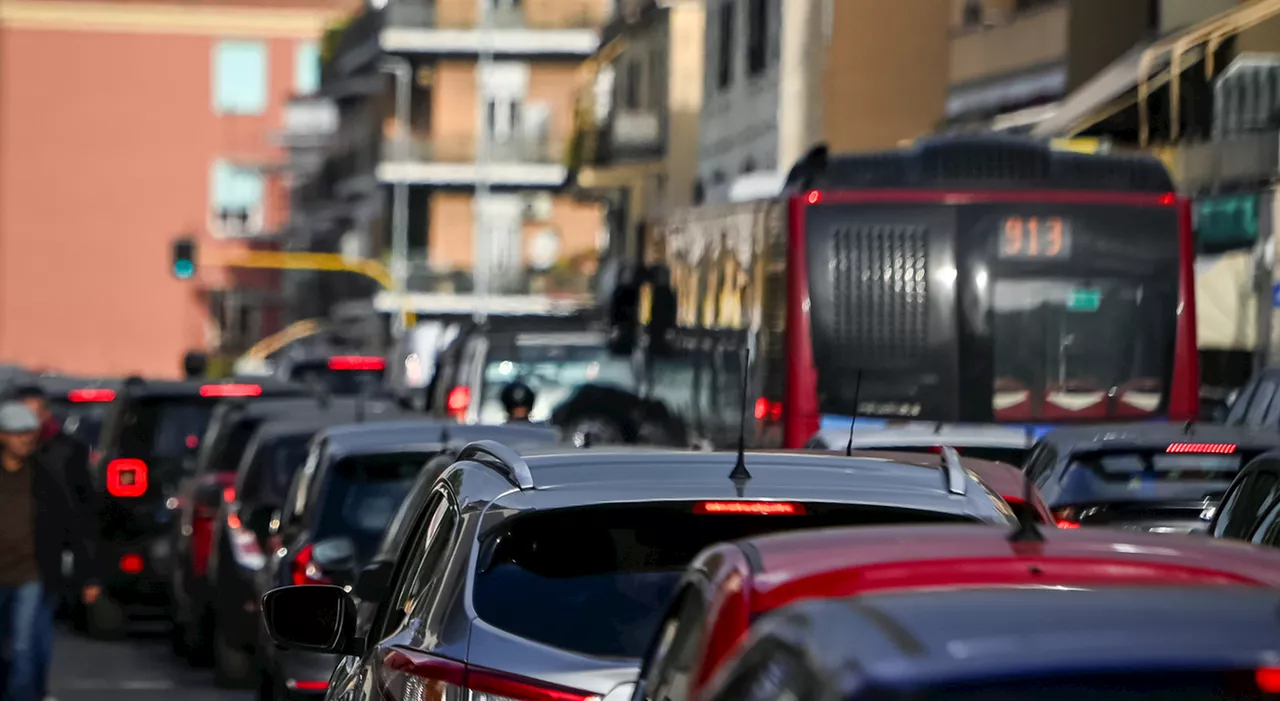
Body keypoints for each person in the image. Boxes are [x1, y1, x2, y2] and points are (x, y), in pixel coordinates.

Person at [0, 403, 98, 701]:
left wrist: (88, 575)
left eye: (30, 433)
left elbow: (71, 525)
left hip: (32, 572)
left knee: (23, 645)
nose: (25, 439)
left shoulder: (45, 477)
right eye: (18, 433)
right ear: (3, 436)